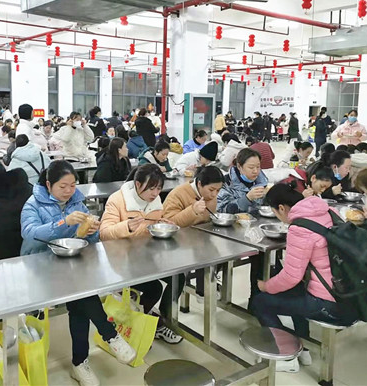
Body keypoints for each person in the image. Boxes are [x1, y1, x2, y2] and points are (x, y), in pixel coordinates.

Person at [20, 161, 136, 385]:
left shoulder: (77, 202)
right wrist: (63, 222)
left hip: (72, 264)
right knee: (82, 296)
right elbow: (30, 234)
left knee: (80, 300)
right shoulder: (33, 204)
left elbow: (87, 240)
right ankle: (108, 336)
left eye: (73, 185)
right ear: (48, 185)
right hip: (41, 267)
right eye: (63, 186)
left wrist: (91, 231)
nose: (69, 191)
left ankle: (80, 362)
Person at [252, 184, 357, 373]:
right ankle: (303, 348)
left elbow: (291, 277)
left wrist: (265, 286)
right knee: (297, 292)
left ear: (281, 208)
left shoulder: (299, 227)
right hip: (350, 295)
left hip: (329, 303)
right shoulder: (328, 211)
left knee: (260, 302)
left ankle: (286, 356)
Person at [99, 164, 184, 343]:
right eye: (151, 188)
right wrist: (127, 226)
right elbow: (104, 233)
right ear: (138, 184)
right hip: (122, 260)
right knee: (154, 288)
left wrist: (161, 223)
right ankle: (145, 324)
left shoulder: (155, 202)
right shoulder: (118, 200)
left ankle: (160, 321)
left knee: (178, 277)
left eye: (159, 188)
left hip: (147, 256)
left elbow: (150, 227)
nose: (155, 193)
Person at [163, 166, 224, 299]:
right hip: (178, 242)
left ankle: (208, 282)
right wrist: (193, 211)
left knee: (224, 253)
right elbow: (168, 223)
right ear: (199, 183)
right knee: (205, 252)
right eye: (211, 190)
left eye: (218, 190)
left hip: (201, 238)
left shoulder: (211, 196)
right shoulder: (178, 194)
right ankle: (203, 289)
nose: (214, 194)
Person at [218, 147, 269, 214]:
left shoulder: (262, 183)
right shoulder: (226, 183)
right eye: (251, 167)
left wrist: (269, 196)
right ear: (239, 166)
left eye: (258, 167)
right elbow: (222, 209)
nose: (256, 171)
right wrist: (247, 198)